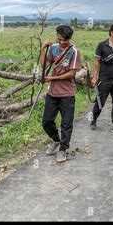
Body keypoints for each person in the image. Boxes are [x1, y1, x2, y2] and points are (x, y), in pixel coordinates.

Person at [40, 25, 82, 163]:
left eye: (64, 40)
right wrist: (42, 49)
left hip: (67, 93)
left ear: (69, 38)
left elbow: (71, 73)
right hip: (52, 92)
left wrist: (52, 78)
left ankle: (63, 150)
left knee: (66, 123)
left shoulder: (74, 51)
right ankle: (56, 140)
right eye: (59, 39)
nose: (62, 42)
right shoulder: (53, 48)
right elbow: (45, 66)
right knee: (46, 121)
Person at [90, 24, 113, 134]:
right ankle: (93, 119)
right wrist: (95, 77)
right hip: (104, 78)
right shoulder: (101, 45)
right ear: (112, 33)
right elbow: (97, 62)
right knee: (100, 101)